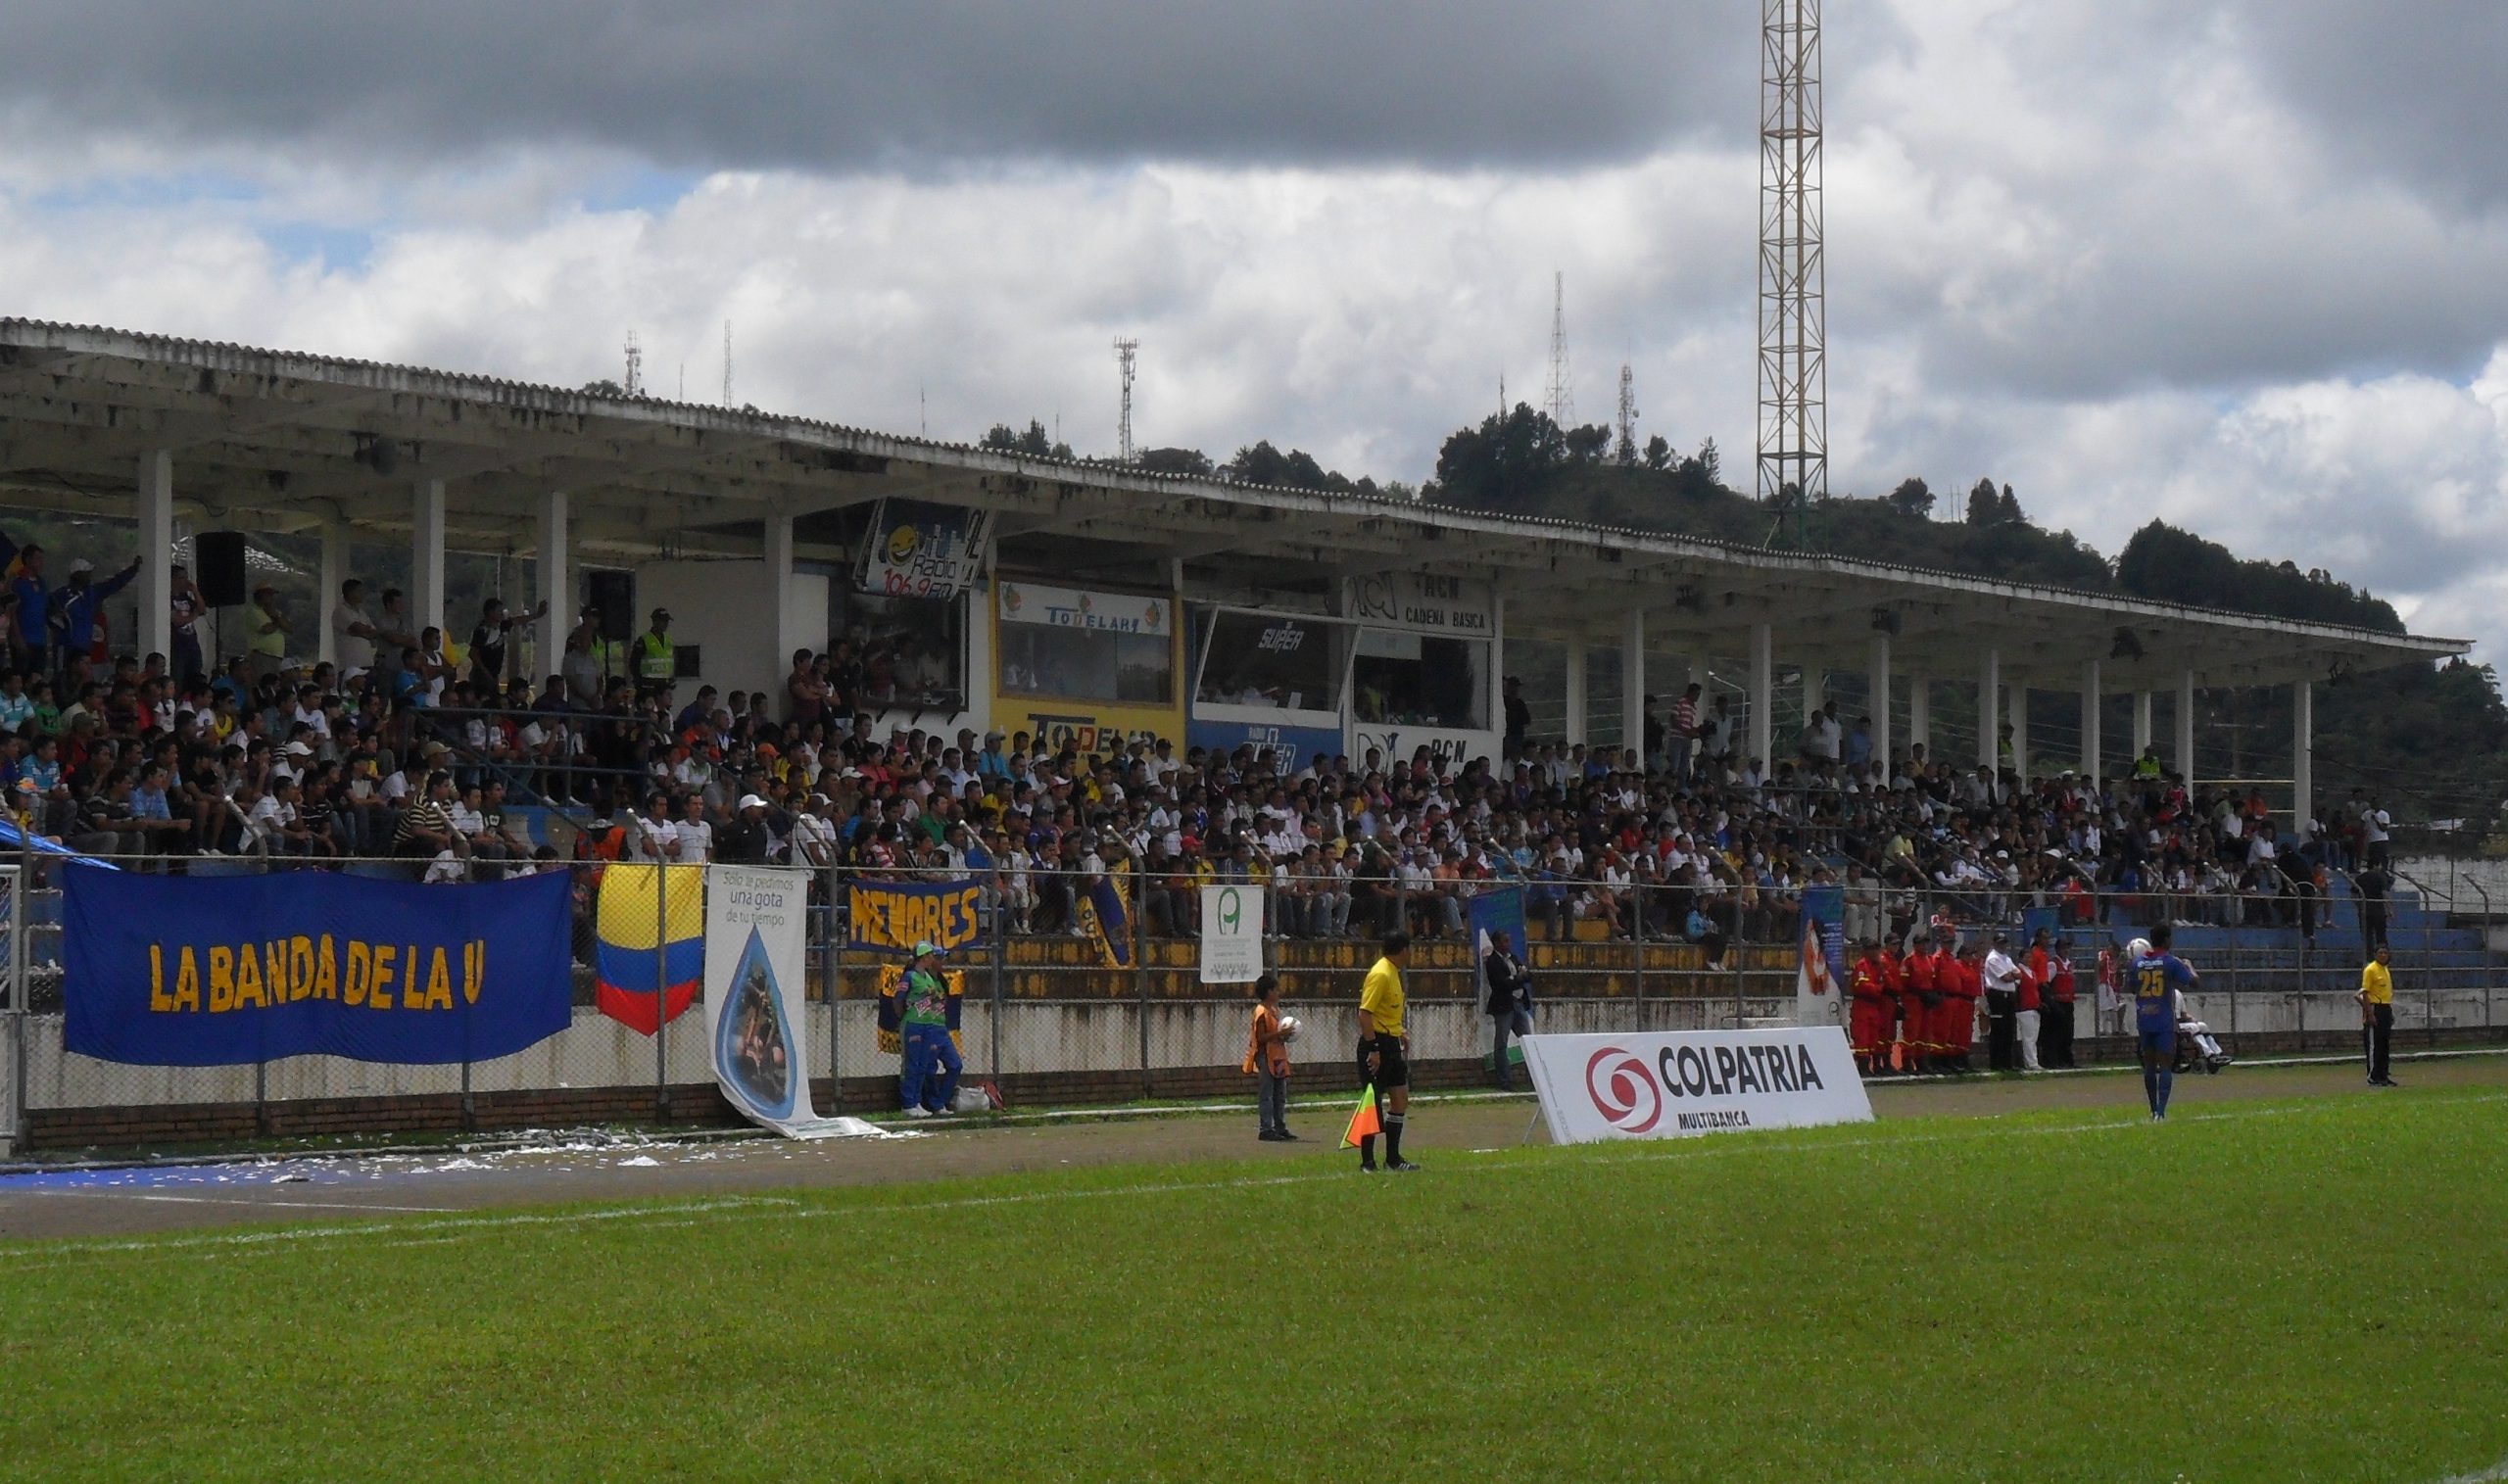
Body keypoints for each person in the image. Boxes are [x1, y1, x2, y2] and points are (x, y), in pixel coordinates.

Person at [1356, 931, 1417, 1173]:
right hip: (1377, 1044)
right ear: (1402, 950)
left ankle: (1393, 1158)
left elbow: (1385, 1011)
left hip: (1391, 1043)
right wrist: (1374, 1049)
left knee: (1400, 1097)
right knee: (1373, 1102)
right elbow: (1364, 1013)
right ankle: (1367, 1161)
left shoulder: (1393, 972)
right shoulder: (1380, 973)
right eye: (1408, 949)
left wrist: (1399, 1031)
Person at [2133, 925, 2198, 1121]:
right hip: (2163, 1021)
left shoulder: (2137, 962)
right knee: (2166, 1065)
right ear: (2166, 940)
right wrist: (2189, 966)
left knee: (2149, 1066)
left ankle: (2153, 1109)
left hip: (2144, 1018)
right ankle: (2161, 1112)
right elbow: (2194, 983)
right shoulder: (2171, 962)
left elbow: (2131, 986)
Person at [897, 939, 962, 1116]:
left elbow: (936, 1005)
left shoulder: (933, 980)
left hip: (933, 1027)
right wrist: (905, 1017)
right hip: (917, 1025)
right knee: (917, 1065)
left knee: (947, 1065)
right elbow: (899, 1001)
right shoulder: (911, 976)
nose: (939, 960)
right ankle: (913, 1102)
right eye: (934, 956)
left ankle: (928, 1102)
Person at [1243, 974, 1296, 1141]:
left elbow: (1276, 1034)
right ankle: (1266, 1128)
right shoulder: (1261, 1011)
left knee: (1280, 1093)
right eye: (1275, 990)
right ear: (1268, 992)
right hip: (1266, 1057)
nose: (1278, 993)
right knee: (1267, 1093)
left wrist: (1286, 1035)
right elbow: (1260, 1037)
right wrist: (1280, 1033)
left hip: (1278, 1057)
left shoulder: (1274, 1010)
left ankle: (1280, 1127)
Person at [1483, 931, 1533, 1090]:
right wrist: (1519, 978)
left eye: (1508, 941)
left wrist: (1518, 979)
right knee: (1501, 1044)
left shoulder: (1513, 958)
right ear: (1496, 943)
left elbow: (1527, 975)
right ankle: (1504, 1080)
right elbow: (1503, 985)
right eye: (1504, 941)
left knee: (1528, 1042)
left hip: (1518, 1002)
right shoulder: (1492, 962)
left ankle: (1533, 1079)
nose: (1508, 944)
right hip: (1504, 1005)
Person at [2031, 927, 2077, 1069]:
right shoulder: (2053, 963)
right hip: (2058, 1001)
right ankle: (2054, 1060)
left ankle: (2066, 1059)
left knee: (2068, 1033)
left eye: (2067, 948)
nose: (2066, 951)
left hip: (2068, 1001)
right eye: (2063, 948)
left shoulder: (2069, 964)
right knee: (2056, 1032)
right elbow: (2046, 982)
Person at [1849, 938, 1890, 1076]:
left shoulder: (1878, 966)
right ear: (1866, 951)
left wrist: (1879, 985)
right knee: (1862, 1038)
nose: (1876, 952)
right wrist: (1878, 988)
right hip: (1862, 1005)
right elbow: (1863, 987)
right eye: (1873, 949)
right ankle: (1863, 1067)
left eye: (1877, 949)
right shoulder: (1862, 965)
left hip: (1873, 1006)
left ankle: (1871, 1067)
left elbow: (1886, 982)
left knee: (1873, 1037)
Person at [1981, 930, 2021, 1072]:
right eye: (2000, 943)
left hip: (2009, 995)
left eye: (2004, 943)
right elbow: (2006, 977)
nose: (2003, 946)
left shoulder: (2007, 958)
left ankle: (2007, 1062)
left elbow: (2019, 973)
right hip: (1997, 995)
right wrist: (2012, 975)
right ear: (1994, 944)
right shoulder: (1993, 958)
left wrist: (2013, 975)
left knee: (2009, 1029)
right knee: (1999, 1029)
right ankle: (1997, 1063)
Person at [2357, 942, 2396, 1087]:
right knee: (2375, 1044)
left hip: (2385, 1006)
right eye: (2380, 953)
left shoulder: (2385, 970)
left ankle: (2383, 1075)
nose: (2383, 955)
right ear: (2375, 955)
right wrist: (2370, 1013)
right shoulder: (2370, 970)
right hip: (2374, 1007)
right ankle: (2373, 1076)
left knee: (2385, 1043)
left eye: (2385, 953)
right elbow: (2364, 992)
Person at [631, 606, 677, 705]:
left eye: (667, 621)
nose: (666, 624)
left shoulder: (669, 640)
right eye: (663, 621)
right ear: (655, 621)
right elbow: (634, 664)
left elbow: (671, 661)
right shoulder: (644, 640)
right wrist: (640, 685)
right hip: (649, 687)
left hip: (664, 687)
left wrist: (672, 680)